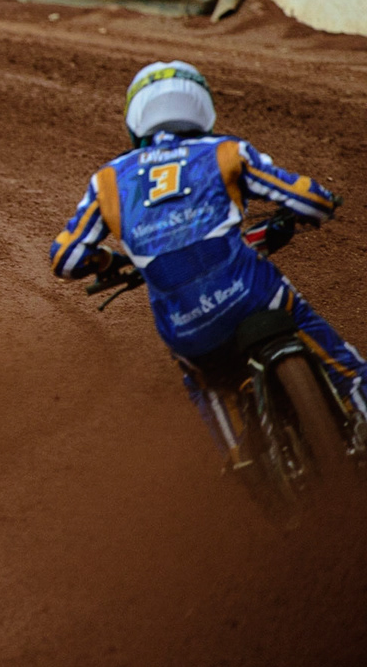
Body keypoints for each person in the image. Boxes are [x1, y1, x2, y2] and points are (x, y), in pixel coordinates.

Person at [49, 60, 361, 465]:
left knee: (204, 380)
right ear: (202, 108)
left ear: (135, 118)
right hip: (253, 297)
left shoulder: (108, 180)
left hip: (187, 329)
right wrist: (321, 206)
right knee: (348, 366)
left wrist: (108, 260)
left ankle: (239, 459)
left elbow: (67, 258)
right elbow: (311, 200)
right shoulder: (224, 152)